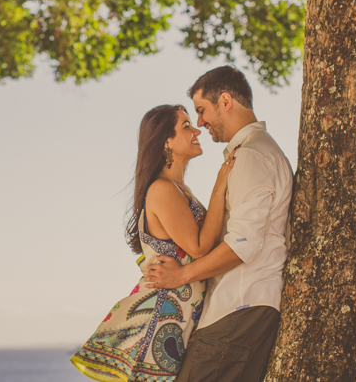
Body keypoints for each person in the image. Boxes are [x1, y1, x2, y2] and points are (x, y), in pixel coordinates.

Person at [145, 66, 293, 382]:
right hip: (237, 307)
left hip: (240, 304)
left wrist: (181, 274)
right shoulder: (249, 153)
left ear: (225, 101)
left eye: (201, 111)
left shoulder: (252, 155)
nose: (199, 123)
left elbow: (243, 244)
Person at [71, 104, 237, 382]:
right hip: (161, 322)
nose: (197, 130)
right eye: (186, 126)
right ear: (166, 142)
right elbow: (198, 247)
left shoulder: (179, 190)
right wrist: (220, 186)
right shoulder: (162, 189)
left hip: (178, 320)